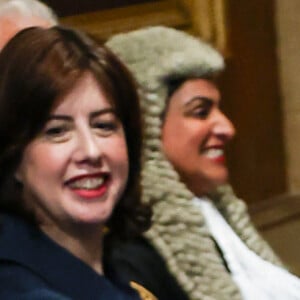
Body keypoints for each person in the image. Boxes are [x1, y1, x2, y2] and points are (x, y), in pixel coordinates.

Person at [105, 26, 300, 300]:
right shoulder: (130, 253)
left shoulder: (216, 212)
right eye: (200, 112)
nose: (227, 128)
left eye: (219, 109)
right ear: (146, 124)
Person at [0, 25, 152, 299]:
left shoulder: (118, 273)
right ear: (14, 156)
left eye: (104, 125)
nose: (91, 151)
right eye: (57, 131)